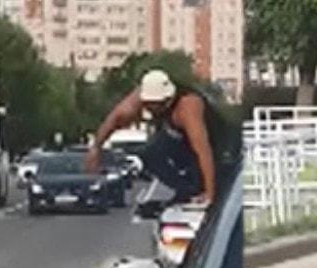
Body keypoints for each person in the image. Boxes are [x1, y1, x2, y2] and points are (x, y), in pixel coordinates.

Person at [84, 69, 241, 206]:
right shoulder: (140, 97)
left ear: (167, 100)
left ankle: (204, 188)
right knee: (149, 152)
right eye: (147, 105)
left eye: (155, 107)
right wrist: (96, 148)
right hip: (181, 140)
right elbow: (115, 118)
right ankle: (186, 190)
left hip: (220, 144)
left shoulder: (188, 106)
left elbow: (203, 150)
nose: (150, 111)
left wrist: (209, 195)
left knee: (208, 168)